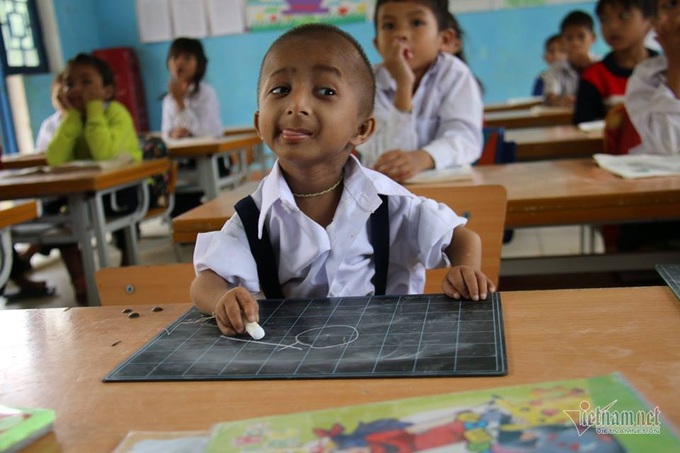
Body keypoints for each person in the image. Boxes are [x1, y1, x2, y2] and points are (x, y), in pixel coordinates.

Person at [190, 24, 495, 337]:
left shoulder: (389, 201)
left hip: (388, 345)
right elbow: (207, 281)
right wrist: (222, 300)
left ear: (361, 130)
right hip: (293, 357)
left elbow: (461, 238)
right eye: (280, 89)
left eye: (325, 91)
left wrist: (464, 268)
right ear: (258, 122)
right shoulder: (254, 216)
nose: (297, 105)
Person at [45, 53, 142, 304]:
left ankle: (127, 272)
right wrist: (74, 118)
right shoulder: (72, 120)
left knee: (125, 216)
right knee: (52, 212)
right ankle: (79, 281)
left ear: (107, 90)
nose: (76, 89)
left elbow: (105, 154)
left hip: (124, 188)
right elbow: (54, 159)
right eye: (69, 83)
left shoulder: (116, 112)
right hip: (84, 193)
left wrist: (94, 110)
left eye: (86, 82)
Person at [356, 0, 483, 183]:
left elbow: (465, 139)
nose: (400, 34)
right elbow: (385, 156)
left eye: (416, 23)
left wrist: (422, 158)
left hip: (446, 192)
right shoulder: (366, 84)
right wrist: (403, 86)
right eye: (389, 26)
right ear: (378, 45)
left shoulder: (455, 75)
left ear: (444, 39)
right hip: (381, 196)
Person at [573, 0, 656, 124]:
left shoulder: (668, 70)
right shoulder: (593, 76)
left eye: (624, 16)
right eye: (604, 20)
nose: (613, 26)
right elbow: (583, 129)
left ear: (649, 23)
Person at [625, 0, 680, 155]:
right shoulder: (646, 77)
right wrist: (676, 65)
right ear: (655, 24)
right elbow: (668, 146)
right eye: (670, 5)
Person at [161, 37, 222, 139]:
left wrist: (180, 102)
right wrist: (172, 134)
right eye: (175, 57)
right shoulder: (168, 98)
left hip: (206, 153)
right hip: (180, 153)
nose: (179, 63)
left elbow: (209, 132)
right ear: (168, 64)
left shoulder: (206, 92)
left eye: (187, 58)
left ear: (199, 65)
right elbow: (165, 133)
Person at [544, 10, 598, 107]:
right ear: (562, 41)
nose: (575, 43)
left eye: (581, 37)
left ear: (593, 38)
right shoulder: (556, 68)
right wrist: (559, 101)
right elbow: (549, 97)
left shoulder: (601, 66)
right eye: (569, 38)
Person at [35, 72, 67, 152]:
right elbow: (41, 153)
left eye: (64, 95)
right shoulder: (48, 125)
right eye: (57, 96)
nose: (60, 100)